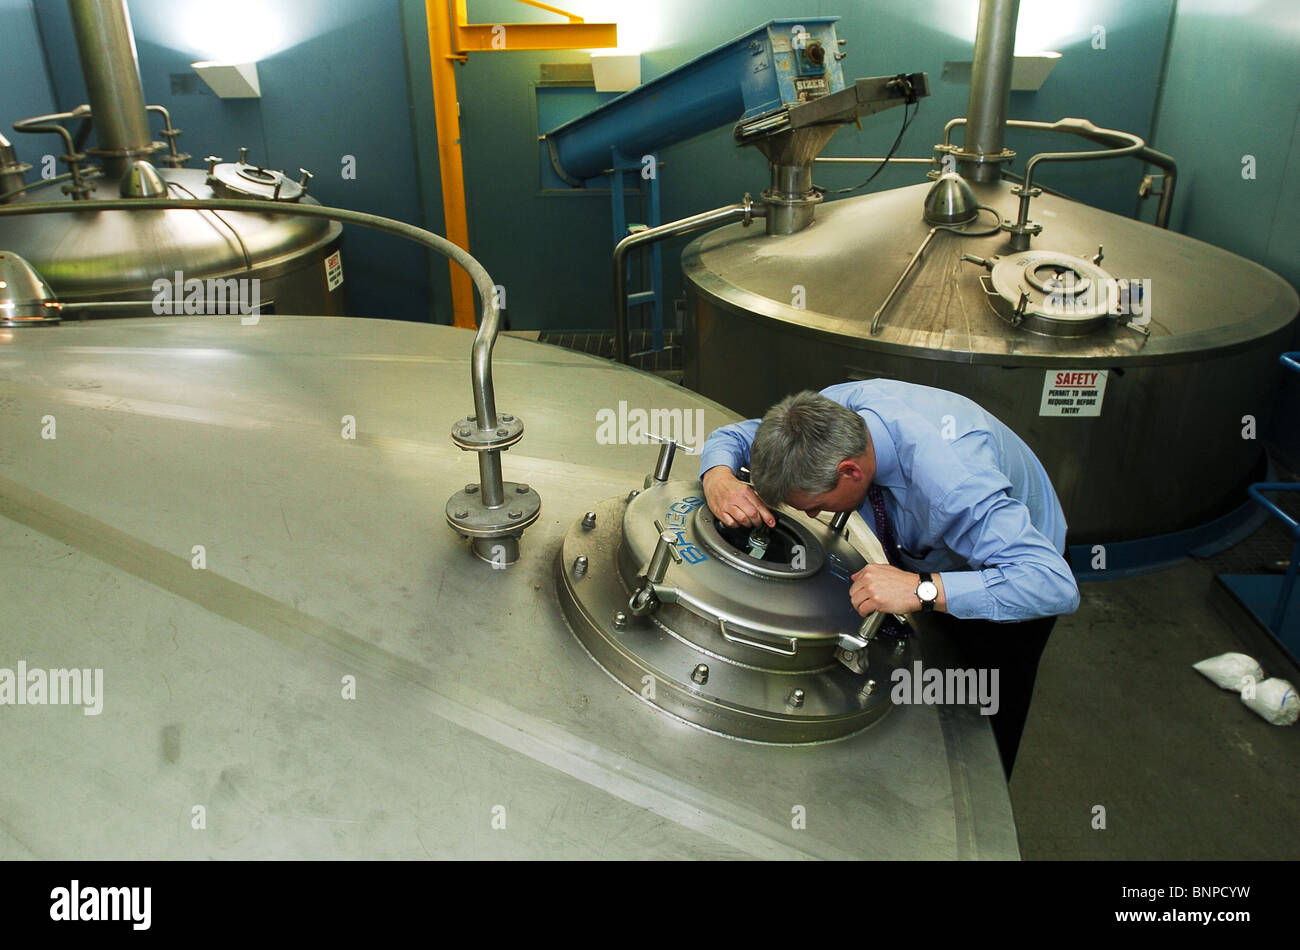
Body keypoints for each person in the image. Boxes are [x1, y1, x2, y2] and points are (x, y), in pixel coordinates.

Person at [699, 380, 1080, 777]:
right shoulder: (835, 416)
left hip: (1009, 572)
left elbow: (1053, 584)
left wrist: (922, 589)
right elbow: (738, 436)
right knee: (934, 686)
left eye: (816, 506)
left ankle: (980, 816)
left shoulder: (954, 483)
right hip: (937, 563)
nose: (812, 517)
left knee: (981, 721)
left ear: (849, 471)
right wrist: (718, 476)